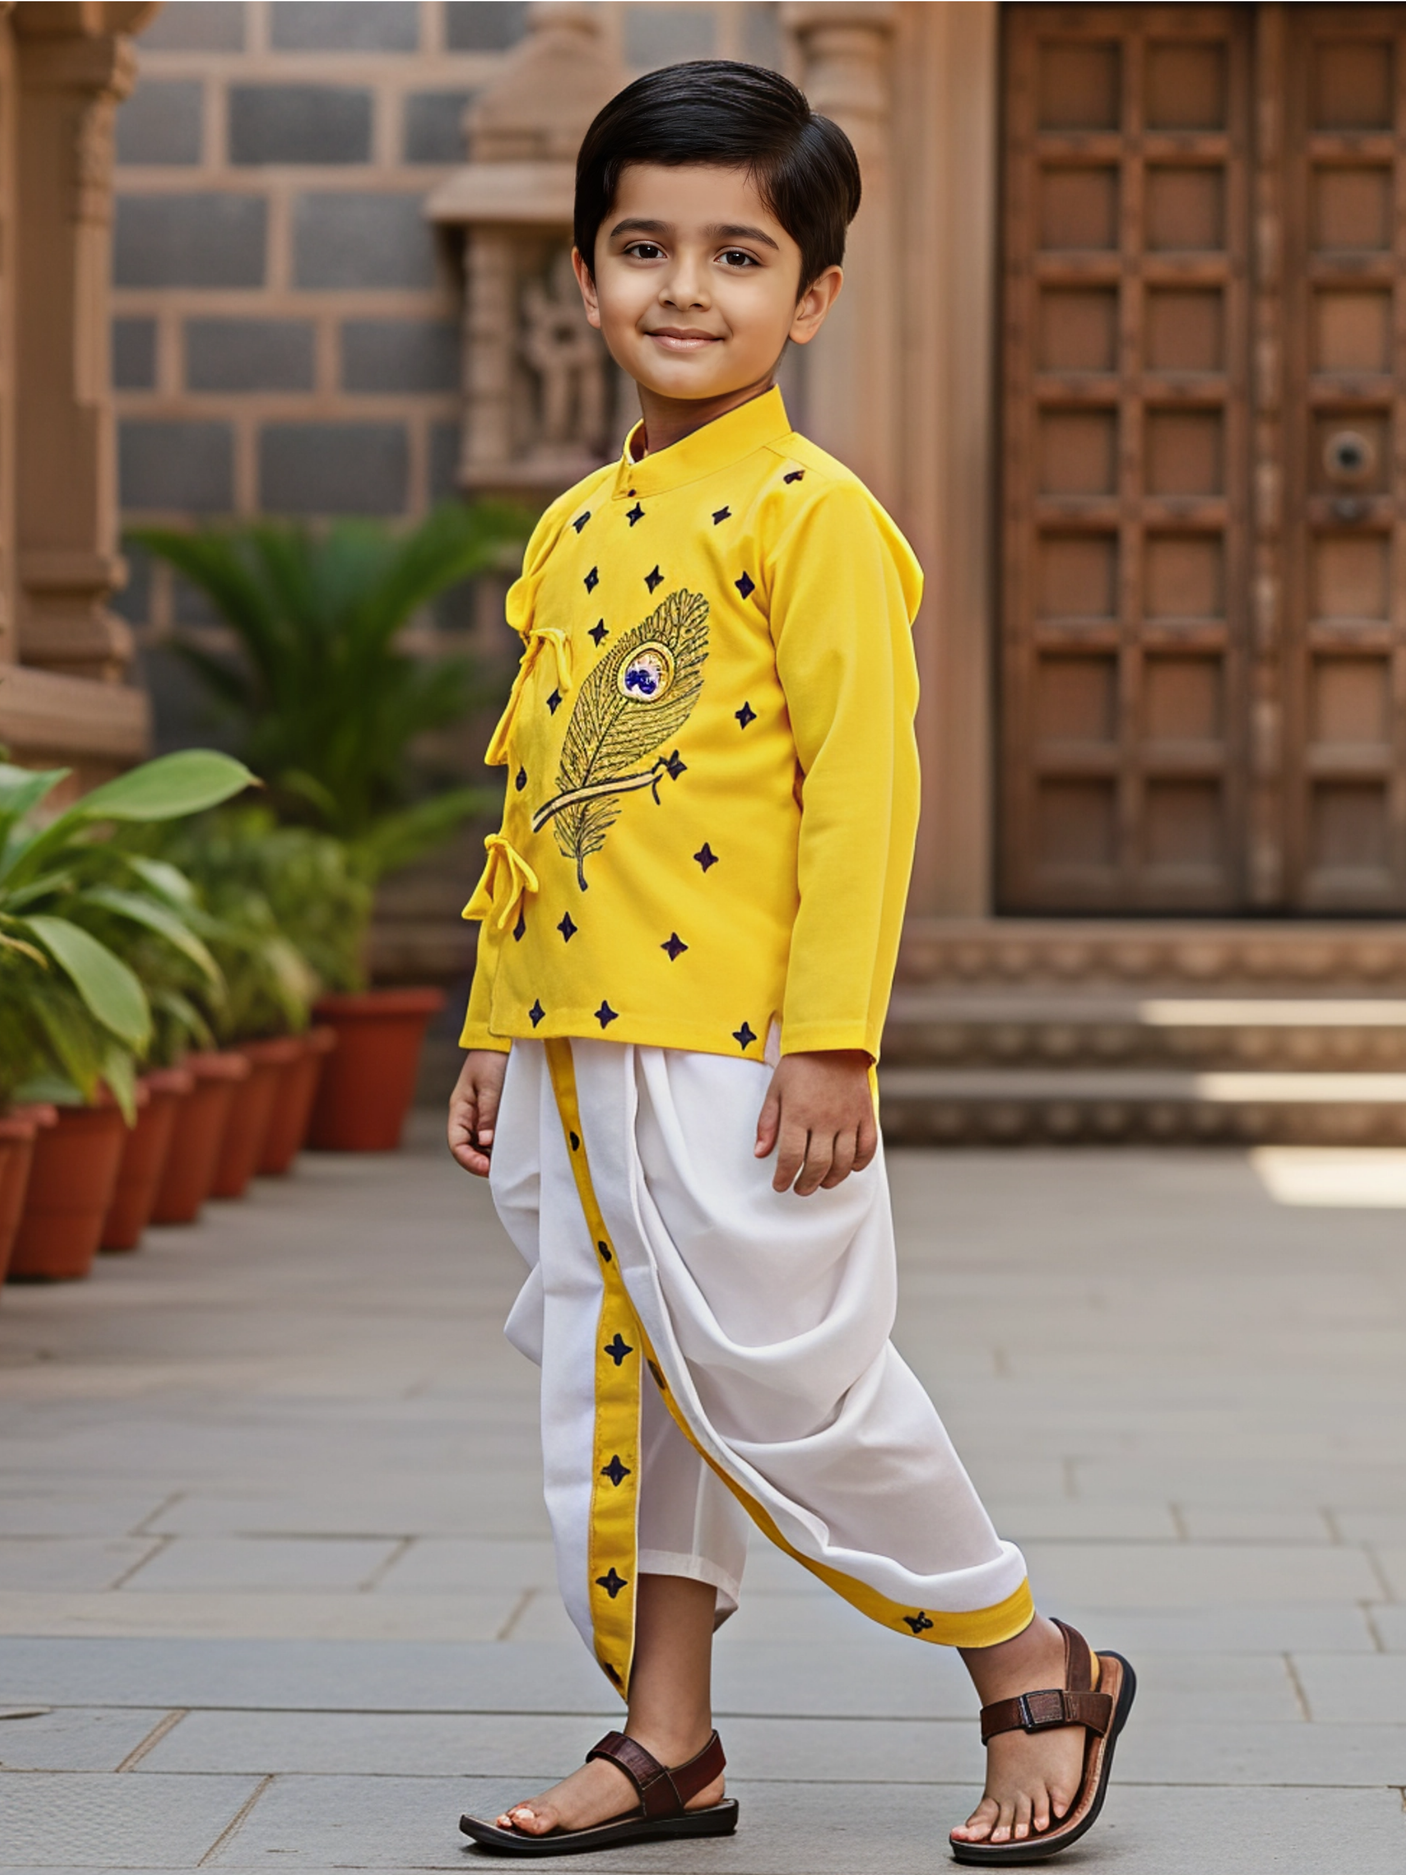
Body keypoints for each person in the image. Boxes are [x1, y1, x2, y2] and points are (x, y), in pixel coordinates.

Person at [447, 59, 1134, 1865]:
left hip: (741, 1044)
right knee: (633, 1378)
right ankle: (667, 1744)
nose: (685, 287)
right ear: (583, 275)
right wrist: (493, 1023)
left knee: (788, 1379)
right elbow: (537, 789)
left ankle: (1028, 1651)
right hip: (581, 1040)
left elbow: (864, 797)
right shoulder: (574, 523)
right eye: (642, 246)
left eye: (735, 254)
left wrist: (835, 1039)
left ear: (810, 294)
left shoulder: (813, 514)